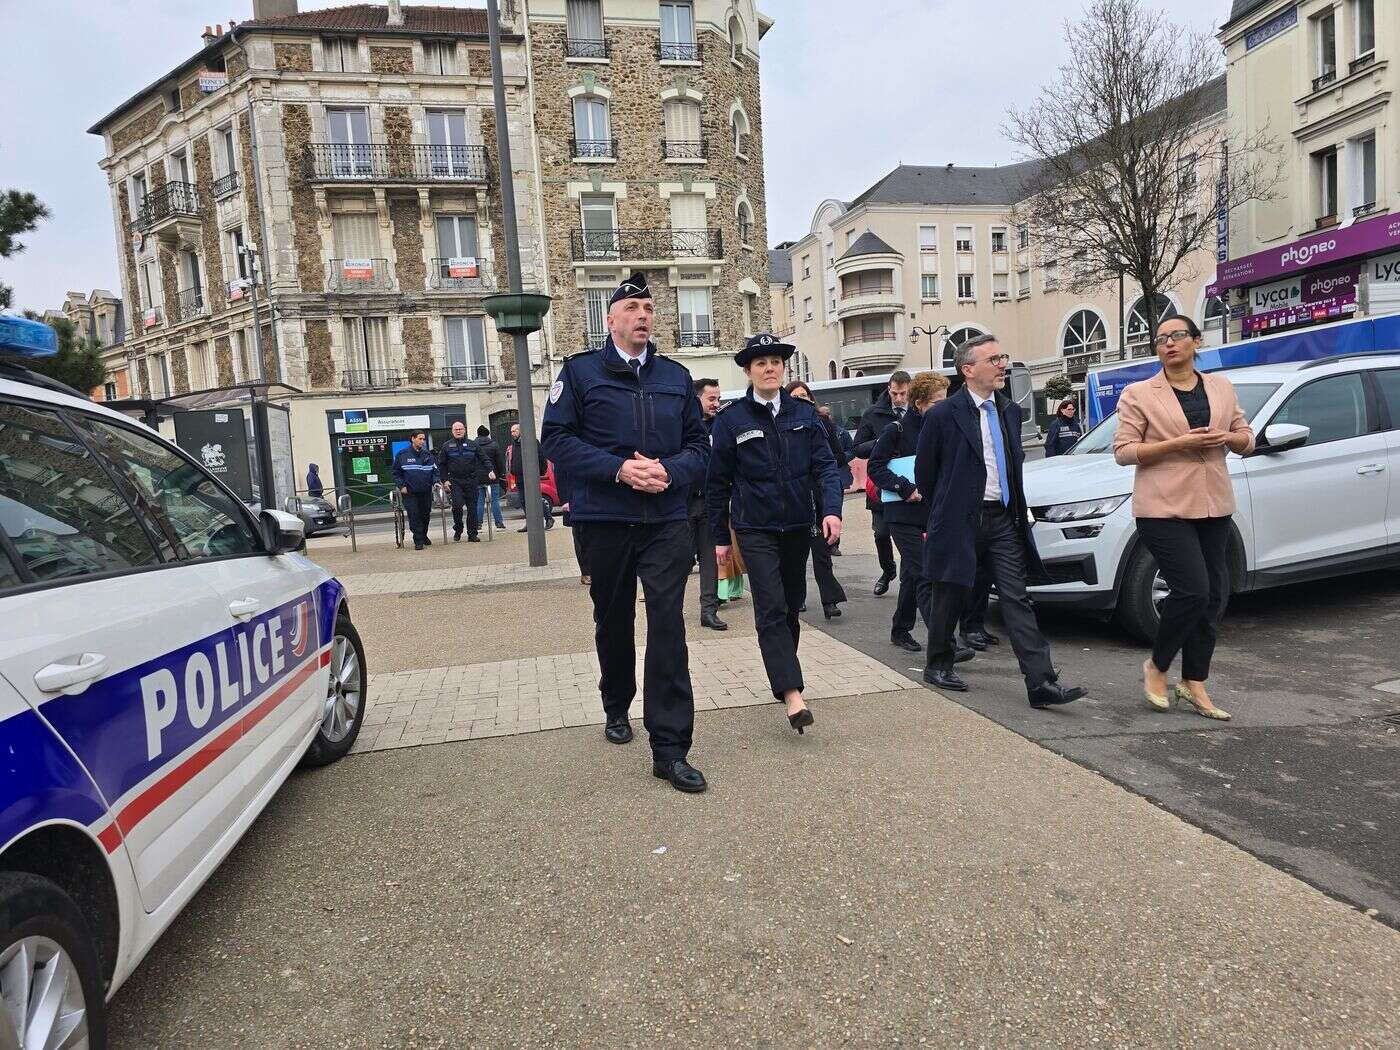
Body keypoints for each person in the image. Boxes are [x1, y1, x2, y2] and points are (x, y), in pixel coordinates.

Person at [540, 270, 711, 793]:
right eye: (632, 307)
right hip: (606, 520)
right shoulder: (580, 373)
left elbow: (701, 448)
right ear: (610, 319)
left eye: (649, 308)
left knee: (667, 626)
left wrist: (670, 471)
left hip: (664, 522)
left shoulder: (676, 378)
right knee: (612, 621)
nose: (643, 315)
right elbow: (556, 441)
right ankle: (617, 703)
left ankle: (670, 748)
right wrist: (619, 470)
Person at [915, 334, 1087, 708]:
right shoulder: (944, 414)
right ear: (968, 369)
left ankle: (1041, 682)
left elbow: (1013, 463)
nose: (1001, 365)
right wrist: (945, 511)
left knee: (1017, 598)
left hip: (1002, 520)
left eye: (1002, 357)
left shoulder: (1008, 410)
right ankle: (938, 663)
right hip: (960, 520)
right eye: (993, 359)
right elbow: (925, 474)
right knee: (950, 593)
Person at [1114, 314, 1254, 721]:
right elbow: (1124, 451)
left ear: (1196, 341)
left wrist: (1228, 439)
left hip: (1214, 504)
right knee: (1192, 589)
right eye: (1160, 339)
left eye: (1177, 336)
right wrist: (1177, 443)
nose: (1169, 344)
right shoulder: (1139, 393)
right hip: (1163, 507)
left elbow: (1246, 438)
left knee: (1214, 597)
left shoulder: (1221, 387)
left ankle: (1194, 682)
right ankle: (1157, 667)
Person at [708, 335, 842, 735]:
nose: (770, 368)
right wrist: (719, 537)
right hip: (754, 528)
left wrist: (832, 511)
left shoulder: (804, 414)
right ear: (748, 371)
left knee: (791, 605)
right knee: (769, 605)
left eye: (776, 362)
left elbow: (826, 468)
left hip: (798, 526)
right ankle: (792, 694)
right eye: (760, 362)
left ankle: (784, 672)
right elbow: (718, 483)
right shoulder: (732, 420)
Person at [869, 371, 951, 653]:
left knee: (912, 575)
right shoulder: (897, 430)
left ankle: (900, 629)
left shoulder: (942, 428)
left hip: (930, 513)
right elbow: (875, 467)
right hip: (902, 515)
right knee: (925, 573)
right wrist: (905, 488)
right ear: (920, 403)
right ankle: (944, 642)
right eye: (937, 402)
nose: (944, 406)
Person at [786, 379, 848, 618]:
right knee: (795, 554)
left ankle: (829, 600)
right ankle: (797, 597)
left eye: (804, 396)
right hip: (796, 496)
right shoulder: (784, 424)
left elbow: (838, 458)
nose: (801, 400)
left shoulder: (821, 422)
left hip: (819, 496)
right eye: (795, 397)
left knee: (822, 552)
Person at [854, 371, 911, 595]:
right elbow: (858, 447)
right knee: (881, 533)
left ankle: (913, 579)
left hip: (910, 479)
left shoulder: (915, 412)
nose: (898, 398)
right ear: (888, 389)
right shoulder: (873, 414)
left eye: (903, 394)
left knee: (912, 535)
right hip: (881, 482)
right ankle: (888, 570)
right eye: (894, 393)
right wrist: (883, 441)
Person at [690, 378, 726, 630]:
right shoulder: (683, 426)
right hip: (683, 502)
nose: (716, 404)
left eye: (718, 399)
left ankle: (709, 610)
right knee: (678, 560)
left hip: (711, 503)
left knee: (710, 560)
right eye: (711, 399)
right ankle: (666, 609)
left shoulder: (722, 427)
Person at [392, 430, 439, 551]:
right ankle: (418, 540)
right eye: (420, 439)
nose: (422, 441)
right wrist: (401, 486)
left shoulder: (428, 454)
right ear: (413, 439)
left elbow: (435, 471)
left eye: (423, 439)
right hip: (410, 492)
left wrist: (436, 481)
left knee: (425, 515)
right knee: (414, 515)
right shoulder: (402, 454)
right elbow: (396, 473)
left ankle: (423, 535)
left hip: (425, 491)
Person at [437, 421, 483, 542]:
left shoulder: (473, 445)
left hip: (471, 480)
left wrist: (490, 471)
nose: (458, 431)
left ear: (464, 430)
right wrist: (444, 480)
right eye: (455, 429)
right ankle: (458, 528)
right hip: (455, 481)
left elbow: (484, 459)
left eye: (460, 429)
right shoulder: (446, 446)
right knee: (457, 506)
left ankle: (472, 534)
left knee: (472, 508)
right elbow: (441, 465)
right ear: (452, 431)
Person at [509, 422, 553, 531]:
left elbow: (541, 457)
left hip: (530, 476)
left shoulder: (532, 441)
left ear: (521, 431)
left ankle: (548, 518)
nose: (512, 433)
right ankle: (529, 522)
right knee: (523, 501)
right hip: (519, 477)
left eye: (515, 431)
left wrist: (541, 471)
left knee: (535, 499)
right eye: (511, 431)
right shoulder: (514, 444)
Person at [474, 425, 506, 529]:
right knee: (495, 500)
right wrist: (501, 473)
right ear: (488, 434)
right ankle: (499, 522)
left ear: (478, 434)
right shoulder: (494, 445)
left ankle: (478, 524)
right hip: (492, 476)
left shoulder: (473, 445)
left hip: (478, 478)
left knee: (479, 501)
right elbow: (499, 462)